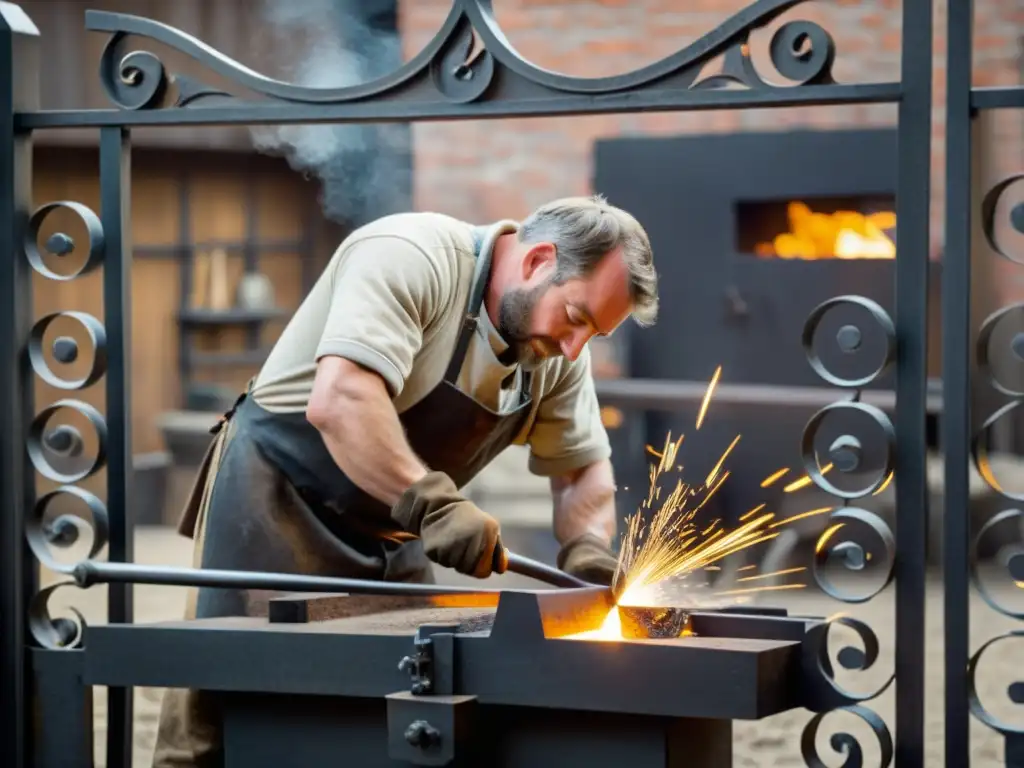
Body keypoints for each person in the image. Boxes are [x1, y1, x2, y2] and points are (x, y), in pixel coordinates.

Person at [151, 194, 659, 767]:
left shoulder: (558, 355)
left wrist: (587, 548)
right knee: (224, 704)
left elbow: (580, 467)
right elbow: (342, 400)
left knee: (408, 700)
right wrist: (438, 509)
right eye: (575, 318)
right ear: (539, 260)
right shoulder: (410, 255)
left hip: (394, 525)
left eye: (593, 334)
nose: (574, 347)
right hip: (275, 499)